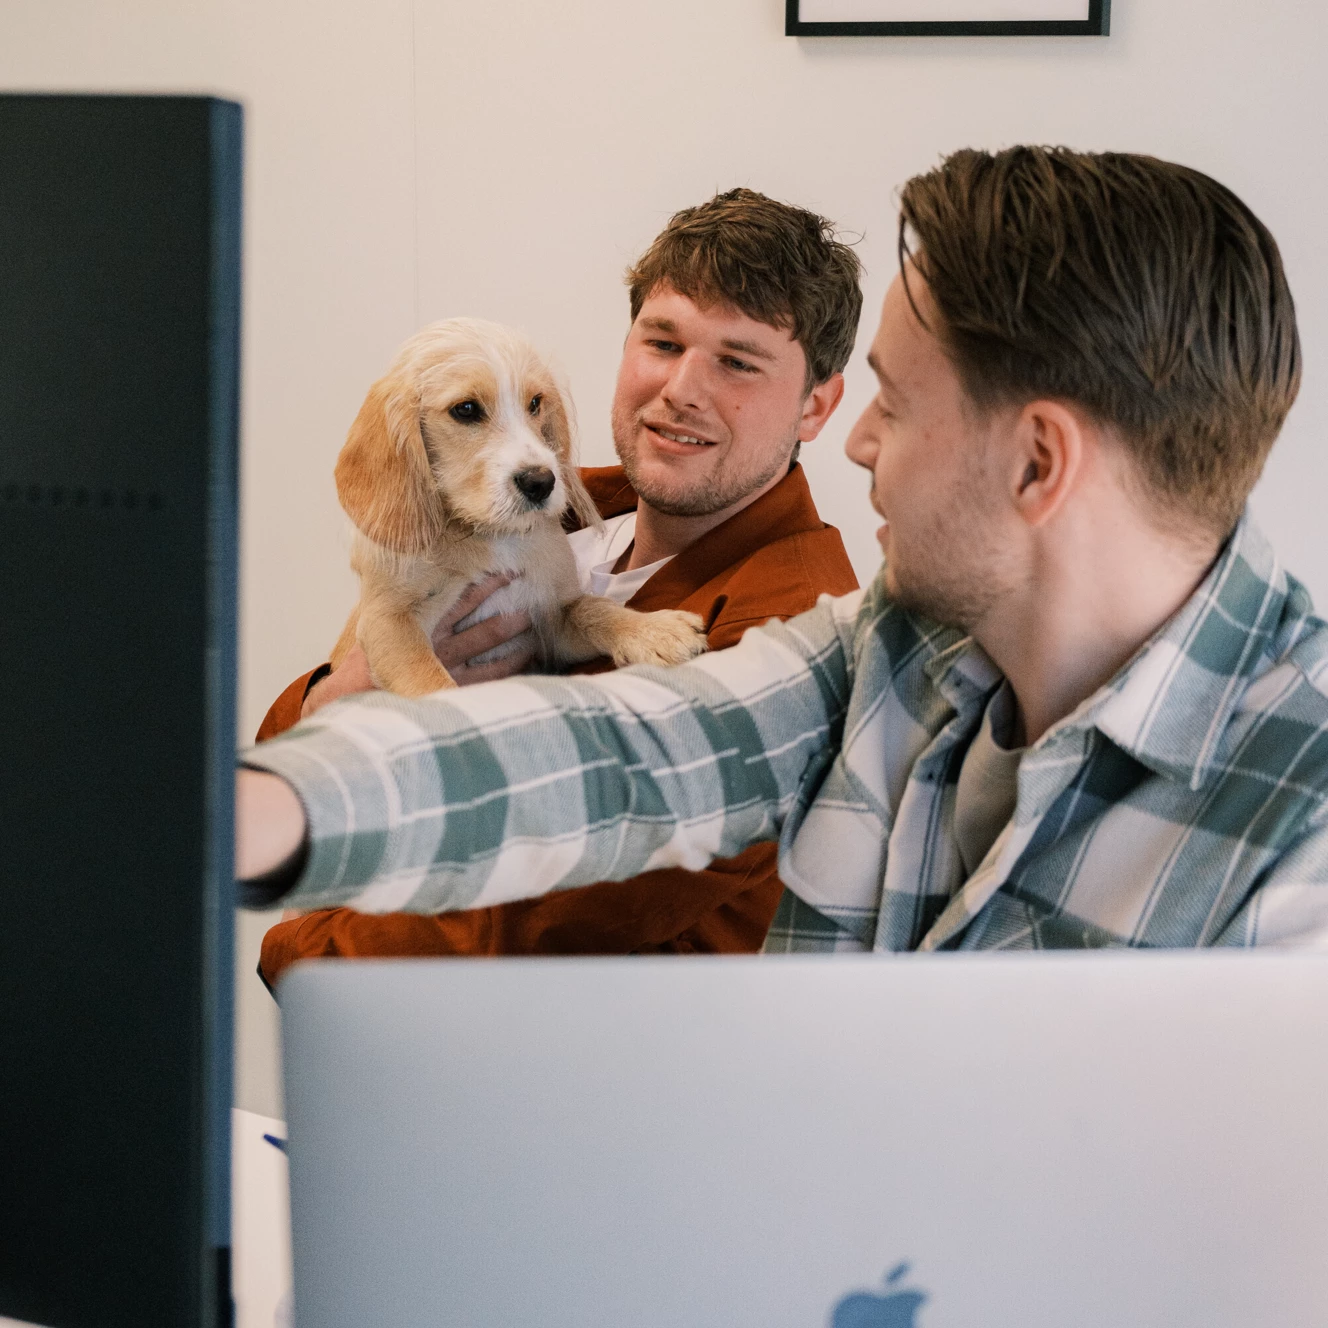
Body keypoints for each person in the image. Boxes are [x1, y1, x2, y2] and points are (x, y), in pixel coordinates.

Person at [237, 146, 1328, 950]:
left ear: (1037, 464)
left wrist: (295, 937)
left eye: (892, 408)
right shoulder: (882, 649)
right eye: (658, 341)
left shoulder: (1300, 832)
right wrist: (268, 805)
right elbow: (624, 756)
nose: (857, 447)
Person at [256, 188, 861, 984]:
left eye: (737, 361)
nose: (681, 387)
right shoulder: (533, 510)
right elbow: (284, 761)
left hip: (582, 1082)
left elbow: (545, 917)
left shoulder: (789, 630)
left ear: (816, 405)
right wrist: (349, 688)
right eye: (663, 341)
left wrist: (296, 949)